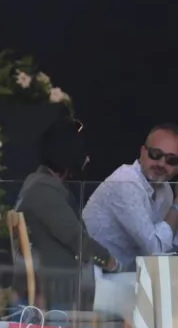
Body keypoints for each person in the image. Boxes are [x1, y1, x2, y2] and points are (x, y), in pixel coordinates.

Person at [14, 118, 120, 311]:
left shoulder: (44, 185)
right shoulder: (43, 190)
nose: (88, 160)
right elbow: (75, 238)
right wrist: (110, 262)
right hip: (59, 291)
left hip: (61, 284)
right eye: (83, 153)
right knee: (129, 298)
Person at [82, 122, 178, 266]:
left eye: (172, 160)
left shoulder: (164, 187)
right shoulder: (125, 181)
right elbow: (155, 250)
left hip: (130, 275)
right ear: (142, 152)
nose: (161, 164)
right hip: (97, 274)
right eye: (155, 154)